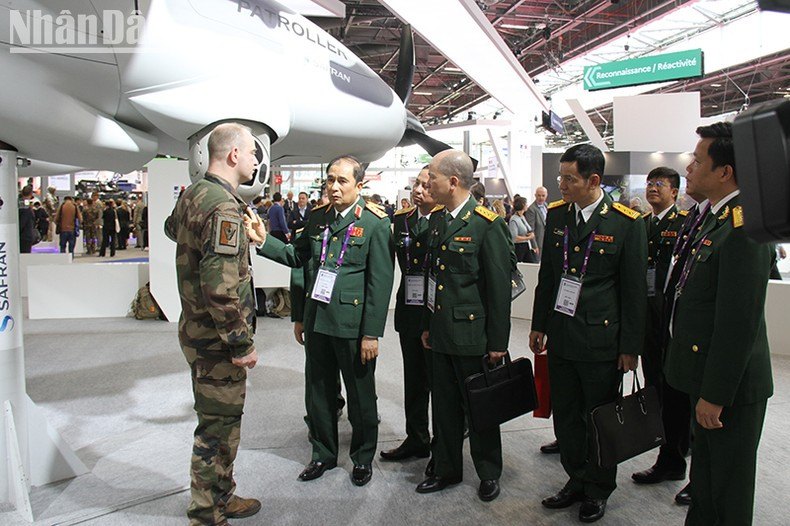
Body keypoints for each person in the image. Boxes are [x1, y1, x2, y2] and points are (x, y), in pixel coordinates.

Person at [249, 155, 394, 487]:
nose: (334, 186)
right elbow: (297, 259)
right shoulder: (316, 218)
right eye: (330, 179)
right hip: (317, 322)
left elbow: (380, 281)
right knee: (318, 393)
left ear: (360, 185)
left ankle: (361, 458)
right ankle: (323, 454)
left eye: (342, 180)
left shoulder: (374, 222)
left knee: (360, 397)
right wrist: (262, 239)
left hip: (353, 326)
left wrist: (371, 333)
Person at [529, 144, 646, 523]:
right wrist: (539, 324)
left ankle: (598, 487)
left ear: (593, 180)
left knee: (598, 418)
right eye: (560, 177)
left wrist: (630, 346)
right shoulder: (559, 216)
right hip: (562, 335)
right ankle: (575, 479)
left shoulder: (626, 222)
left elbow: (633, 292)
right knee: (565, 417)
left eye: (569, 178)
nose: (561, 184)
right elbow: (548, 276)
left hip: (601, 340)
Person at [665, 122, 773, 526]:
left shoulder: (743, 229)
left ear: (725, 171)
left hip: (730, 390)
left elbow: (737, 323)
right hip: (704, 376)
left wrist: (715, 394)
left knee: (726, 488)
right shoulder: (712, 219)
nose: (689, 169)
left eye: (697, 160)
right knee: (706, 482)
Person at [164, 122, 261, 526]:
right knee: (216, 430)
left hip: (196, 331)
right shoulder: (222, 206)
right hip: (216, 341)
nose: (257, 161)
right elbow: (220, 289)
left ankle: (222, 496)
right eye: (253, 153)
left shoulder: (196, 193)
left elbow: (173, 229)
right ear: (234, 156)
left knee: (222, 424)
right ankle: (206, 513)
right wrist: (241, 344)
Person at [416, 150, 515, 503]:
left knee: (480, 409)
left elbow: (499, 288)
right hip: (441, 331)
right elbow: (436, 280)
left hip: (473, 336)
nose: (427, 184)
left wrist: (498, 342)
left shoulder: (487, 223)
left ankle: (489, 472)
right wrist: (429, 323)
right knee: (443, 407)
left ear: (453, 182)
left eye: (433, 179)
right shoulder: (439, 220)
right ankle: (446, 469)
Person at [630, 167, 689, 486]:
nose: (653, 188)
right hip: (647, 318)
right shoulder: (641, 223)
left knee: (673, 390)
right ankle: (669, 447)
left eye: (660, 184)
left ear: (675, 192)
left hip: (670, 318)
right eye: (650, 183)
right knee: (655, 385)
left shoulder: (681, 224)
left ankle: (676, 452)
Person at [380, 165, 436, 470]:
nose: (418, 190)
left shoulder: (445, 219)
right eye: (417, 183)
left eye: (426, 185)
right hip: (410, 310)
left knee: (439, 384)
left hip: (437, 313)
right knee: (414, 381)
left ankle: (444, 445)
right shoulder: (401, 220)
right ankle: (416, 438)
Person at [658, 187, 710, 507]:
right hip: (671, 327)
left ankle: (698, 481)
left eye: (697, 161)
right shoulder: (695, 217)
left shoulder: (730, 223)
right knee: (671, 403)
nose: (689, 169)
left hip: (697, 343)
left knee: (699, 420)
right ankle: (671, 462)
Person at [508, 196, 538, 263]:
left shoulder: (522, 217)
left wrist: (531, 234)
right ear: (523, 205)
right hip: (519, 247)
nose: (527, 205)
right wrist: (527, 237)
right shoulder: (514, 219)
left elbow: (528, 229)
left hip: (526, 246)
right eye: (526, 204)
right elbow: (514, 238)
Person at [525, 186, 548, 262]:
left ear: (546, 195)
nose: (541, 198)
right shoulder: (531, 209)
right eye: (539, 195)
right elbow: (530, 229)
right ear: (535, 195)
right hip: (538, 243)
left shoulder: (546, 206)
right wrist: (534, 246)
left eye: (543, 195)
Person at [18, 186, 37, 253]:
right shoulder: (25, 205)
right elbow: (23, 222)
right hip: (25, 236)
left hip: (24, 236)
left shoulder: (20, 203)